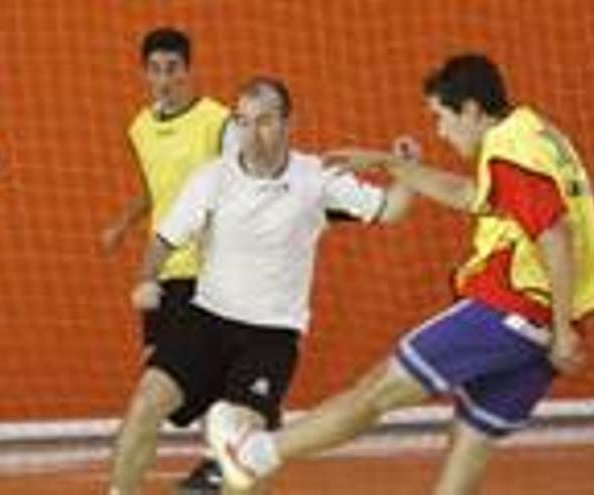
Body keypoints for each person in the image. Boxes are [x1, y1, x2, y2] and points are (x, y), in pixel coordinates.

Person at [206, 54, 594, 495]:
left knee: (377, 392)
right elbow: (469, 195)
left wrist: (563, 329)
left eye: (441, 118)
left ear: (470, 109)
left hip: (510, 310)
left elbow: (555, 233)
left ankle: (251, 456)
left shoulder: (509, 150)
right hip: (539, 327)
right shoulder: (535, 132)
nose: (440, 131)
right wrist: (387, 163)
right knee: (469, 443)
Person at [107, 76, 413, 495]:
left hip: (269, 337)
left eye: (265, 121)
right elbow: (164, 240)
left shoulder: (317, 178)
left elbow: (391, 209)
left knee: (244, 450)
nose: (252, 133)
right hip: (206, 320)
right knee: (144, 405)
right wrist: (146, 280)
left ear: (290, 123)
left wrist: (405, 169)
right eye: (243, 122)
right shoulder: (212, 178)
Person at [101, 27, 234, 493]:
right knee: (166, 380)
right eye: (155, 70)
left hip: (212, 268)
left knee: (193, 375)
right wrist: (123, 223)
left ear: (189, 70)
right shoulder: (139, 127)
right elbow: (156, 190)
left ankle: (216, 460)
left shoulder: (219, 122)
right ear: (144, 74)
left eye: (173, 69)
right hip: (163, 271)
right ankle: (217, 453)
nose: (164, 79)